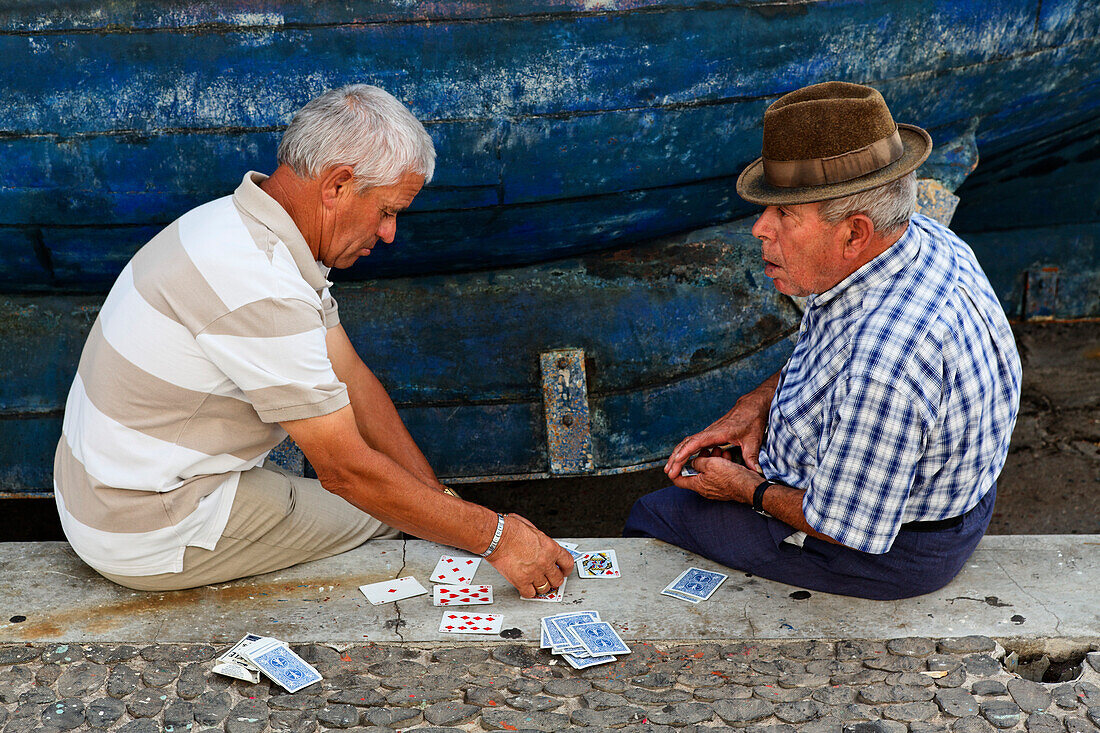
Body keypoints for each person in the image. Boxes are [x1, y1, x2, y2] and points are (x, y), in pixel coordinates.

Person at [54, 84, 573, 595]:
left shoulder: (241, 226)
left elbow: (352, 377)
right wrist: (494, 537)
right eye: (387, 211)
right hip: (144, 525)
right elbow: (347, 472)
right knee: (394, 517)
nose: (390, 233)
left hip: (101, 492)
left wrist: (438, 497)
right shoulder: (262, 285)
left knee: (422, 507)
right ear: (338, 185)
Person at [624, 81, 1021, 600]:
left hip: (891, 548)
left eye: (785, 214)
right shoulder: (915, 238)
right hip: (936, 495)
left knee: (653, 516)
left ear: (854, 232)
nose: (759, 229)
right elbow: (830, 351)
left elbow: (845, 526)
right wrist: (758, 403)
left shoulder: (890, 361)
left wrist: (746, 489)